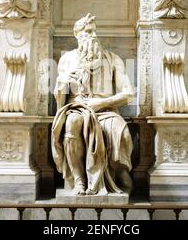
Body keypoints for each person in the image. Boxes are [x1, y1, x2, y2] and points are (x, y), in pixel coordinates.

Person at [51, 14, 134, 196]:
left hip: (106, 109)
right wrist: (62, 81)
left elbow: (128, 94)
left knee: (123, 132)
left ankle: (119, 172)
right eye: (89, 31)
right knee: (72, 122)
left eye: (95, 31)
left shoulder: (113, 59)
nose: (94, 35)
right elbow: (60, 99)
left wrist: (102, 102)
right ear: (77, 34)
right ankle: (79, 180)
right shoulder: (67, 59)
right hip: (76, 108)